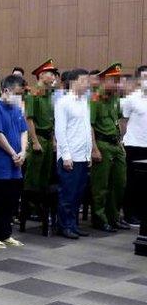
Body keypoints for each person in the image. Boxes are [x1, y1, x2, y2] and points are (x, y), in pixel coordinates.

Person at [0, 75, 29, 249]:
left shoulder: (16, 109)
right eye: (16, 93)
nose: (19, 98)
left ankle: (6, 233)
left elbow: (24, 132)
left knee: (10, 201)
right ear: (6, 91)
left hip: (15, 165)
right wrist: (13, 154)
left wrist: (23, 152)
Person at [54, 69, 93, 239]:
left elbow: (86, 128)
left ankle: (73, 224)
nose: (88, 84)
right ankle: (64, 226)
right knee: (67, 194)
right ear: (74, 82)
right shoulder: (63, 102)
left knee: (78, 193)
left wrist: (89, 153)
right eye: (84, 81)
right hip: (70, 156)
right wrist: (66, 156)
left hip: (82, 155)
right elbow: (60, 131)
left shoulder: (84, 101)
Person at [89, 63, 128, 232]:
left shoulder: (115, 99)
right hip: (102, 145)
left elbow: (118, 121)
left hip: (115, 144)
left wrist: (120, 143)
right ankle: (99, 218)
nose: (118, 84)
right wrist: (94, 148)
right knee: (101, 185)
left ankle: (113, 217)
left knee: (119, 183)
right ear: (105, 80)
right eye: (115, 80)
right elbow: (89, 126)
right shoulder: (95, 99)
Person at [22, 59, 58, 230]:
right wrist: (35, 141)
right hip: (38, 138)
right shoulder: (33, 94)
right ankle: (31, 208)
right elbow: (29, 119)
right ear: (42, 75)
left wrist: (54, 140)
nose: (53, 76)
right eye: (50, 73)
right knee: (33, 177)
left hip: (48, 138)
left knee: (45, 176)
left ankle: (40, 207)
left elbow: (51, 120)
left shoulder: (50, 94)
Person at [121, 65, 147, 225]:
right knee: (132, 182)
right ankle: (130, 214)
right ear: (139, 80)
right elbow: (122, 122)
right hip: (133, 144)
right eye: (145, 77)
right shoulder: (132, 99)